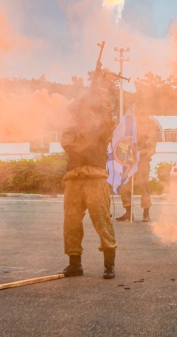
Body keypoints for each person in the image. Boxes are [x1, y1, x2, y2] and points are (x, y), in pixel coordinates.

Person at [60, 89, 117, 279]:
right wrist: (88, 131)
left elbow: (109, 126)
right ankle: (75, 264)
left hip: (95, 178)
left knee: (102, 220)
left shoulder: (101, 129)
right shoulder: (70, 130)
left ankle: (109, 265)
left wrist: (103, 101)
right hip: (74, 179)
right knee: (71, 222)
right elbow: (71, 145)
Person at [115, 114, 157, 222]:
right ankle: (128, 212)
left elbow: (151, 150)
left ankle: (146, 213)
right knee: (124, 185)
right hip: (128, 162)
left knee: (143, 186)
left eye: (142, 116)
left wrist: (138, 154)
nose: (139, 119)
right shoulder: (129, 131)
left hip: (142, 162)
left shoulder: (149, 132)